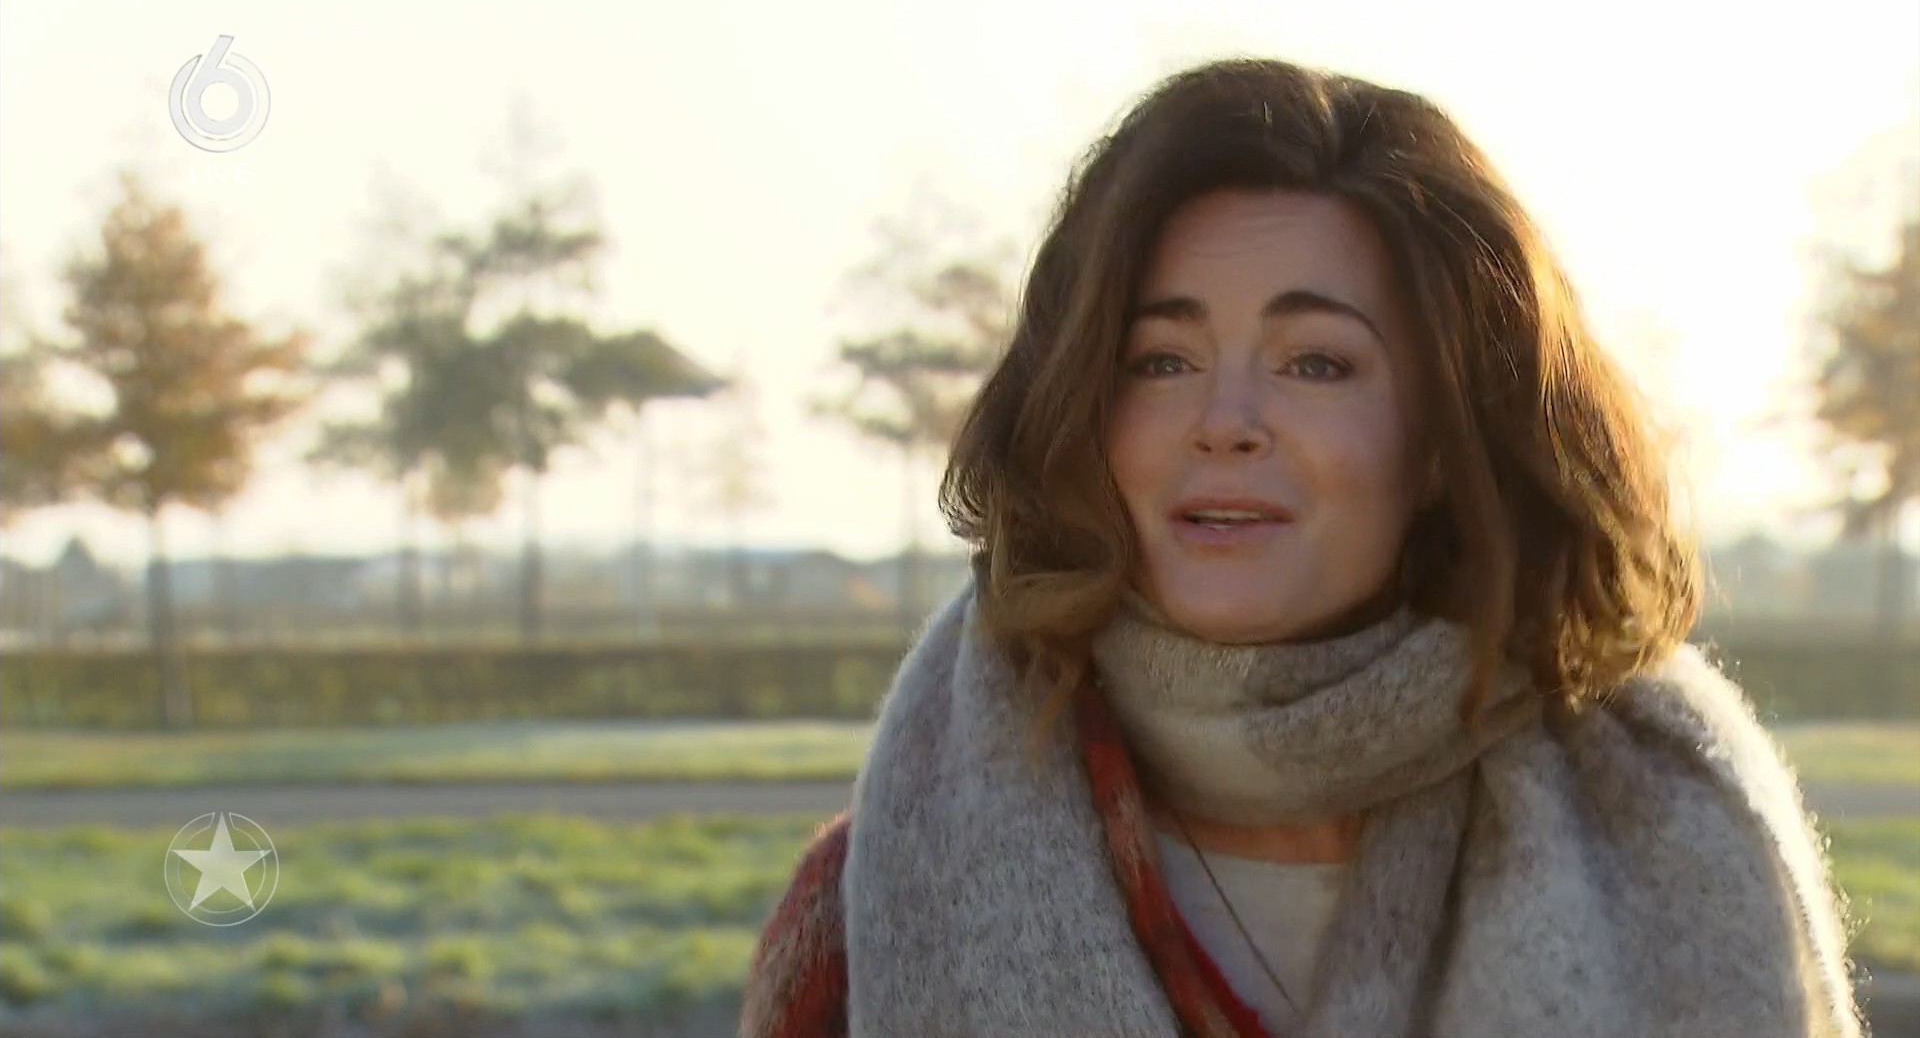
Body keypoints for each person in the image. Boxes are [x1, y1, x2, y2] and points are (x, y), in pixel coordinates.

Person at [736, 57, 1866, 1038]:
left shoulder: (1677, 834)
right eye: (1161, 361)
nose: (1225, 421)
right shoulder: (874, 903)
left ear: (1444, 435)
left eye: (1314, 362)